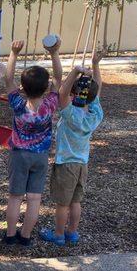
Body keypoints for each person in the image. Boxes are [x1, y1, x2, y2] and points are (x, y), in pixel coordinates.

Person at [39, 50, 105, 246]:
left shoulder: (70, 114)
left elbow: (62, 92)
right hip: (82, 164)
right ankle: (72, 232)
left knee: (62, 203)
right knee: (76, 201)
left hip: (66, 164)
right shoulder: (95, 113)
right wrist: (95, 65)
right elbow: (97, 89)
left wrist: (75, 72)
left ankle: (58, 235)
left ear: (75, 94)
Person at [2, 39, 63, 246]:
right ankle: (26, 236)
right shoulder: (50, 104)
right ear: (46, 87)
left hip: (19, 155)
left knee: (15, 197)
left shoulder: (18, 104)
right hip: (41, 157)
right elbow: (59, 78)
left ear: (23, 88)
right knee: (34, 199)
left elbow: (8, 80)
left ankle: (10, 235)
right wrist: (54, 53)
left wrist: (13, 53)